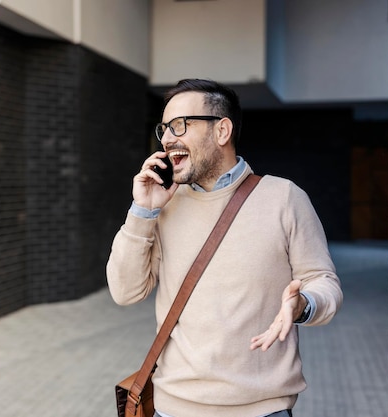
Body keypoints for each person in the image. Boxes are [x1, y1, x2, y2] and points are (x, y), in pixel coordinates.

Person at [106, 79, 343, 417]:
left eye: (180, 125)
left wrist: (304, 304)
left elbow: (324, 281)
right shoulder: (165, 206)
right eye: (164, 129)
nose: (168, 138)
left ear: (222, 131)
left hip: (262, 411)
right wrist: (142, 211)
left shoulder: (283, 198)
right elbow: (124, 291)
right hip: (173, 409)